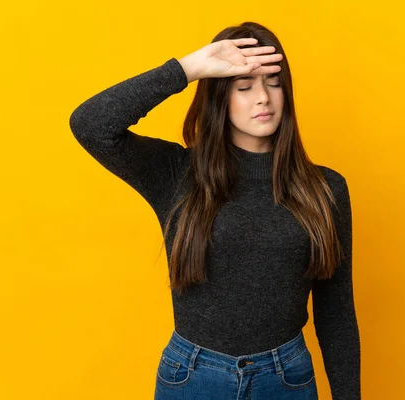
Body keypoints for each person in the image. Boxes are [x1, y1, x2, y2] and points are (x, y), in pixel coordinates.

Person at [69, 21, 360, 400]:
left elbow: (337, 313)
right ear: (219, 98)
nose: (263, 99)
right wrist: (188, 68)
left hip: (285, 379)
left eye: (274, 84)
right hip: (193, 378)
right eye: (244, 87)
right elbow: (90, 125)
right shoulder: (176, 174)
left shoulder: (325, 189)